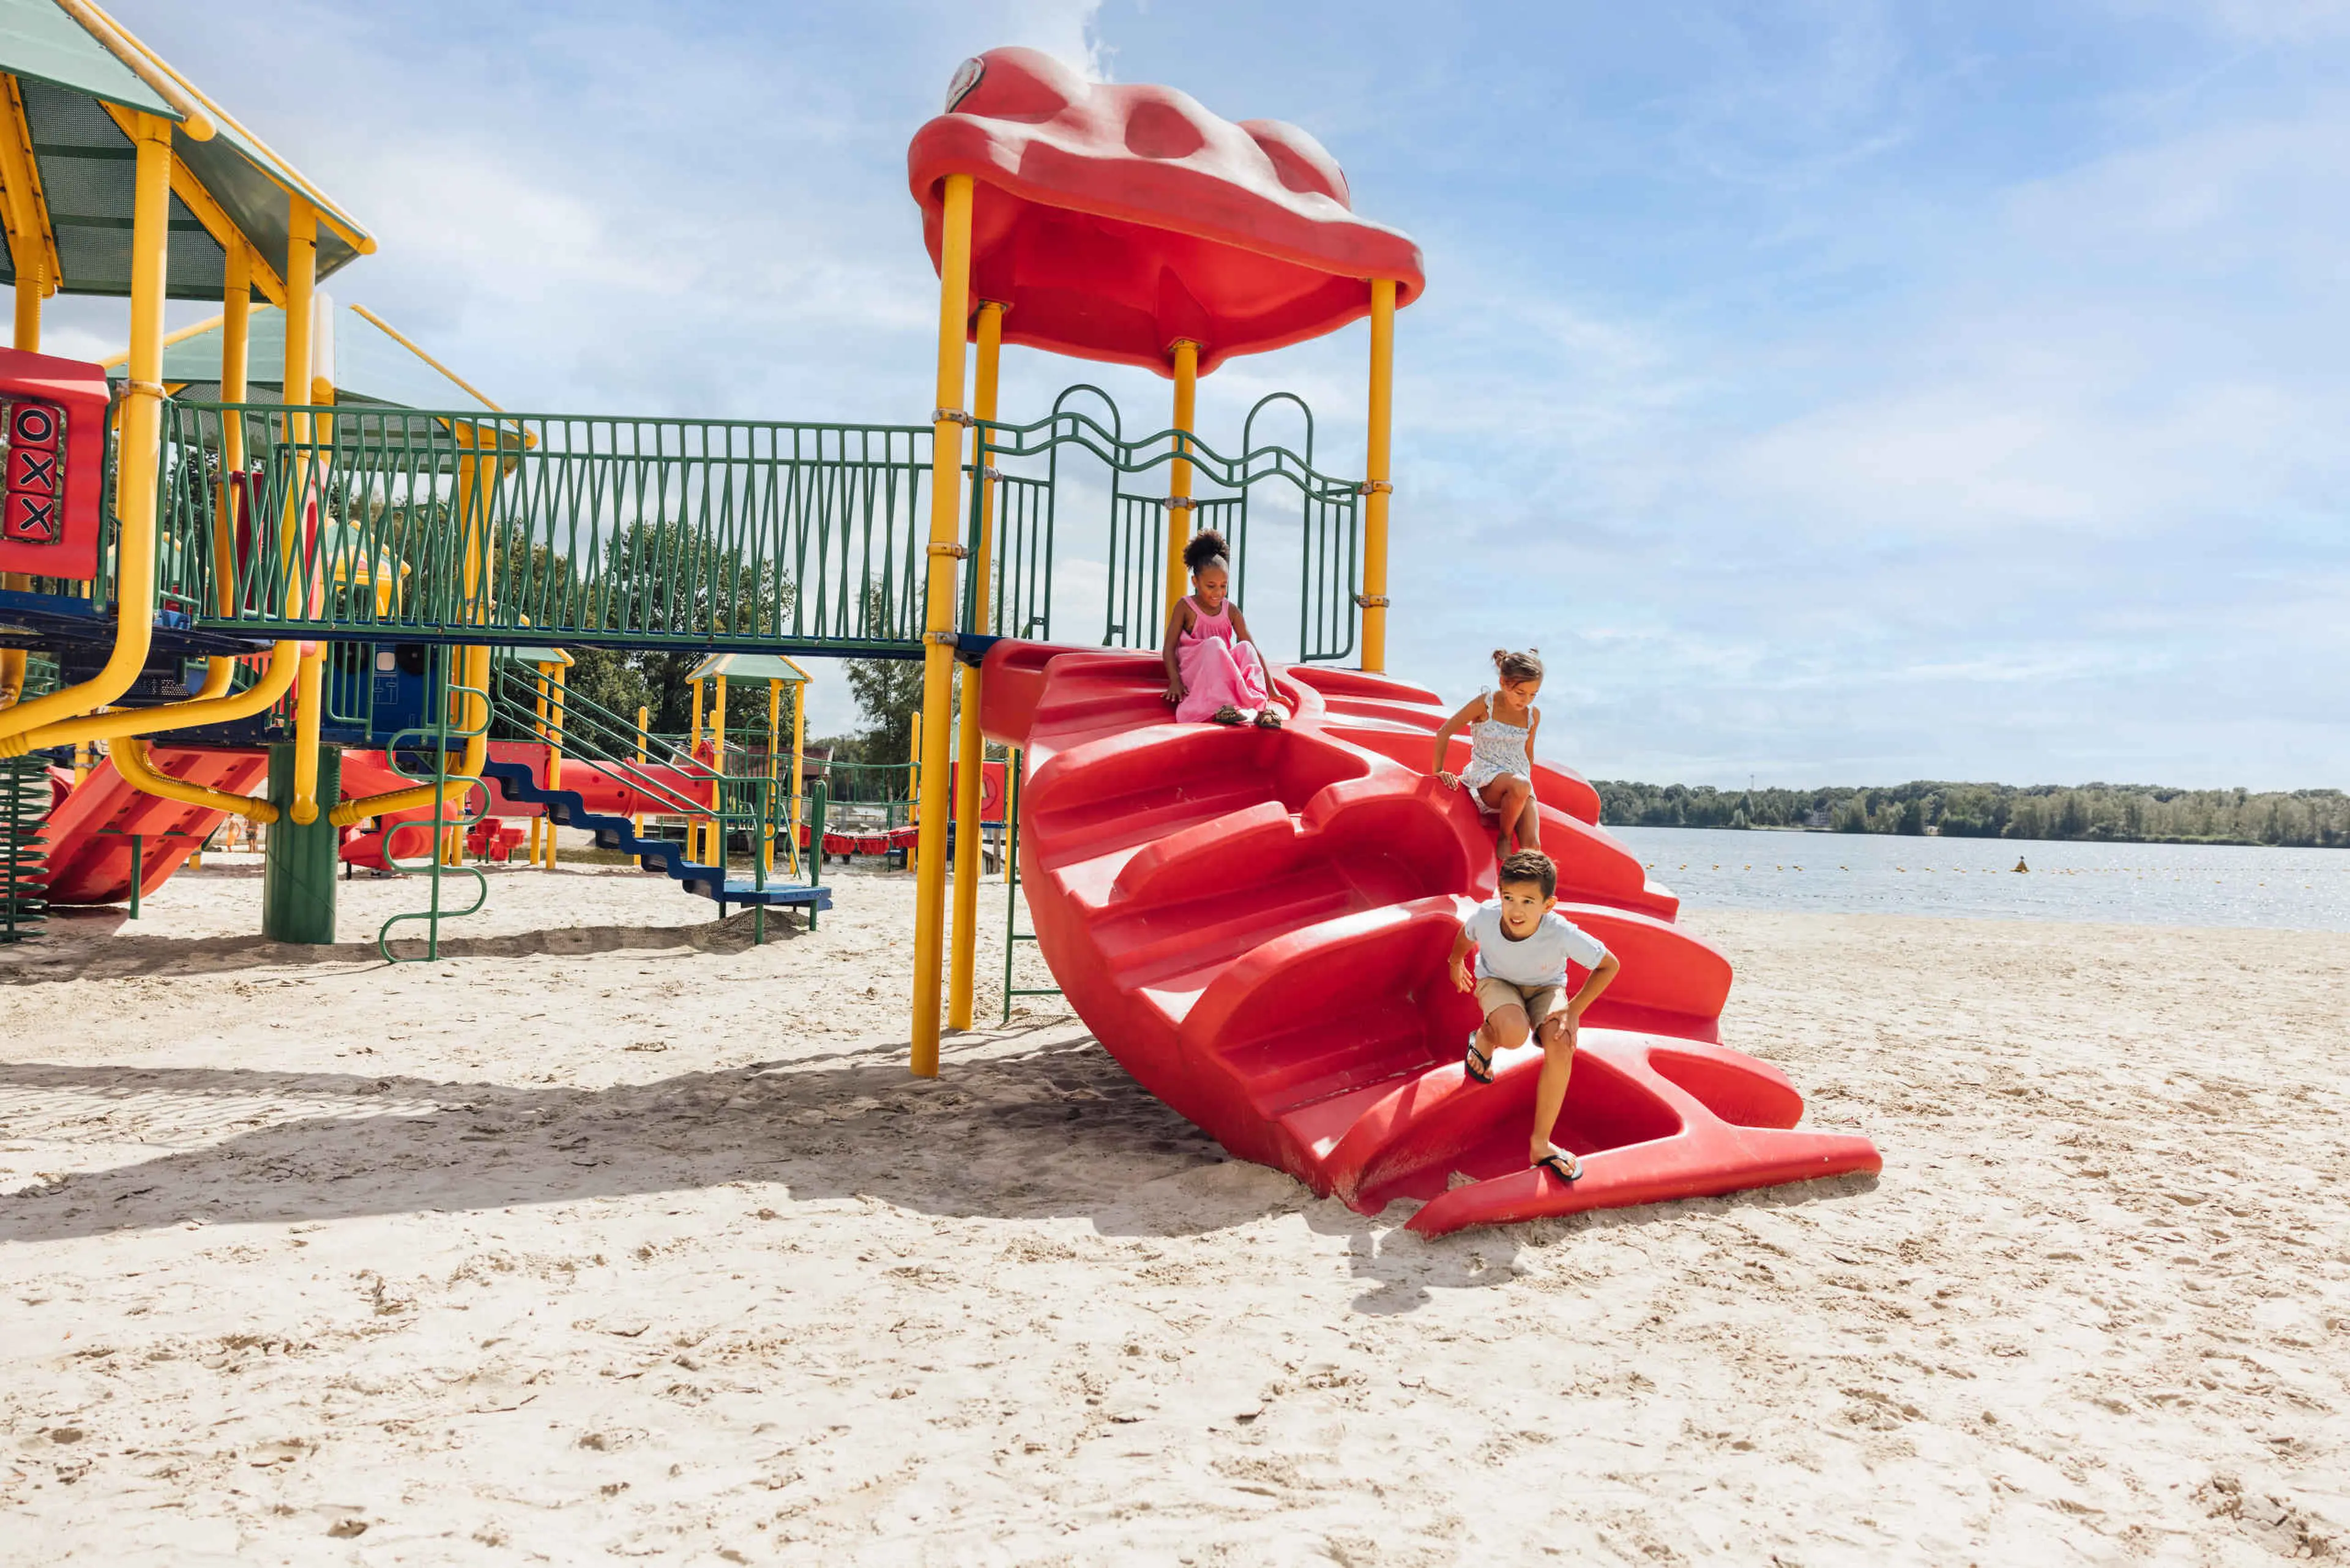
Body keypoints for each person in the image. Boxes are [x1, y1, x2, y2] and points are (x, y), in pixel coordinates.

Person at [1447, 848, 1621, 1184]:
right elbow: (1466, 936)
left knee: (1562, 1041)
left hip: (1546, 987)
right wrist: (1455, 964)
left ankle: (1540, 1144)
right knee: (1513, 1036)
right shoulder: (1487, 915)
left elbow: (1608, 965)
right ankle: (1484, 1037)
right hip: (1498, 980)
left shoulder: (1560, 930)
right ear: (1499, 893)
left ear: (1548, 905)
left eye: (1529, 901)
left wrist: (1573, 1011)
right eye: (1509, 897)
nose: (1516, 909)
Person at [1162, 530, 1285, 728]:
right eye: (1211, 586)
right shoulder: (1185, 607)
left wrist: (1271, 688)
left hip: (1224, 676)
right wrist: (1174, 680)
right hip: (1198, 674)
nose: (1217, 593)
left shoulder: (1231, 611)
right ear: (1196, 582)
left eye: (1223, 586)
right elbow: (1169, 648)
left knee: (1244, 647)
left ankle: (1262, 707)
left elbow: (1253, 651)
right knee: (1216, 644)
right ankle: (1221, 707)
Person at [1431, 648, 1545, 856]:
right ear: (1503, 682)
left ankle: (1517, 886)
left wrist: (1528, 795)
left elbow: (1528, 752)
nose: (1526, 700)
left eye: (1533, 694)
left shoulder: (1532, 715)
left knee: (1534, 849)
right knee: (1519, 784)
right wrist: (1438, 770)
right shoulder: (1486, 704)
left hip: (1519, 782)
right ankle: (1505, 837)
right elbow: (1444, 732)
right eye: (1521, 693)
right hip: (1488, 780)